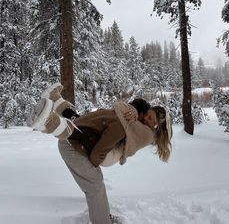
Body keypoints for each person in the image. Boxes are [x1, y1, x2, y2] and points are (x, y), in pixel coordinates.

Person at [28, 83, 173, 224]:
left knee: (77, 123)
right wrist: (96, 161)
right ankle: (47, 123)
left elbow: (136, 111)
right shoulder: (124, 124)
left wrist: (134, 110)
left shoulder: (125, 120)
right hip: (73, 146)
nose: (144, 119)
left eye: (150, 119)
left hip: (75, 141)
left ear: (156, 126)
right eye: (146, 115)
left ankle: (54, 103)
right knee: (95, 185)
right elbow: (98, 153)